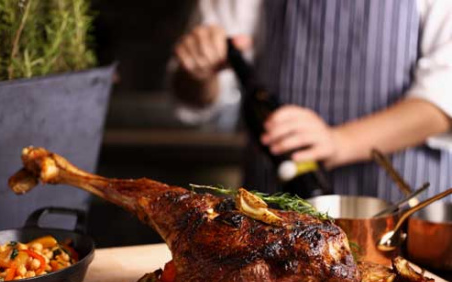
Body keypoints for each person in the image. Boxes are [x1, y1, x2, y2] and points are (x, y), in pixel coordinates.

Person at [171, 0, 452, 202]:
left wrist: (339, 141)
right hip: (275, 202)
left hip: (402, 210)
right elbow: (195, 96)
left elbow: (442, 96)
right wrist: (200, 68)